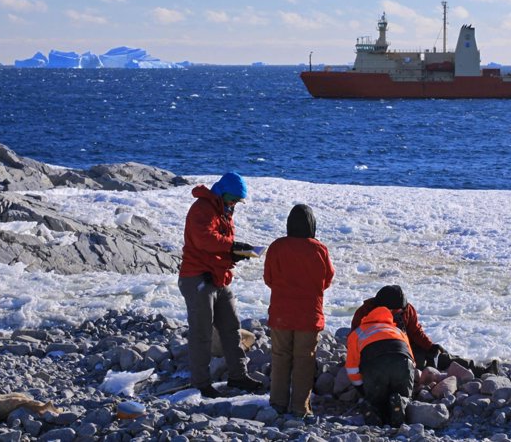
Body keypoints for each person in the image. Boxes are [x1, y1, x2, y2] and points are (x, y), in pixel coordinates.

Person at [178, 171, 262, 398]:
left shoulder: (224, 210)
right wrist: (232, 247)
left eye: (237, 201)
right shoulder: (202, 208)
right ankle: (201, 383)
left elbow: (218, 245)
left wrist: (234, 255)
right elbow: (205, 239)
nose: (234, 204)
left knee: (231, 327)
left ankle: (238, 376)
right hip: (197, 276)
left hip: (217, 276)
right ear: (222, 193)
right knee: (201, 333)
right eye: (232, 199)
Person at [263, 204, 335, 418]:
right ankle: (300, 408)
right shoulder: (319, 249)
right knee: (305, 360)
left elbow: (269, 278)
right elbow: (327, 279)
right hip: (308, 314)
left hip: (280, 312)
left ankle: (277, 403)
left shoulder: (277, 246)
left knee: (280, 357)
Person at [351, 285, 499, 377]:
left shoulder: (407, 310)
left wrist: (430, 346)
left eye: (402, 309)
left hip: (405, 347)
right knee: (424, 362)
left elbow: (415, 331)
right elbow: (354, 341)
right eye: (396, 310)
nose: (400, 312)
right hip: (379, 354)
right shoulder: (364, 314)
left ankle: (480, 370)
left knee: (440, 356)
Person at [346, 306, 415, 427]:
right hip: (402, 363)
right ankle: (400, 403)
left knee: (377, 399)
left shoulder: (357, 332)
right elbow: (412, 362)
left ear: (367, 318)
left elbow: (352, 368)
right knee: (403, 394)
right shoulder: (398, 331)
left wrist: (361, 388)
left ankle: (373, 410)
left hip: (375, 365)